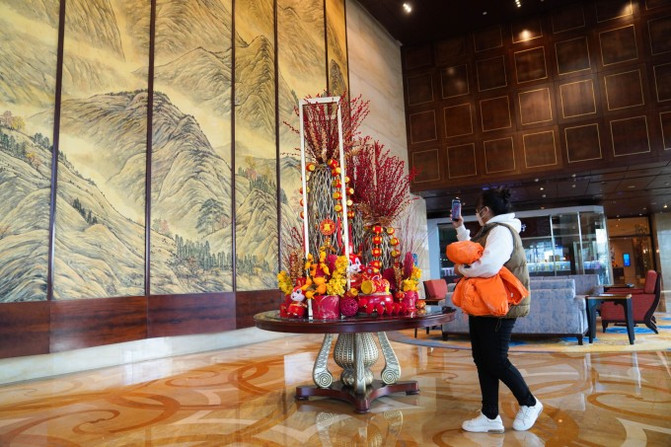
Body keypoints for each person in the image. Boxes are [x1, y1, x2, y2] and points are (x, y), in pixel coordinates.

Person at [451, 187, 542, 433]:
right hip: (485, 303)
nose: (476, 215)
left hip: (499, 305)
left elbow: (488, 265)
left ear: (485, 210)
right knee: (483, 359)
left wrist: (462, 270)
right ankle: (490, 415)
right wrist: (460, 228)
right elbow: (473, 250)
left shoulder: (501, 231)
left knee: (495, 360)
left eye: (477, 211)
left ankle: (529, 402)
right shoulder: (492, 230)